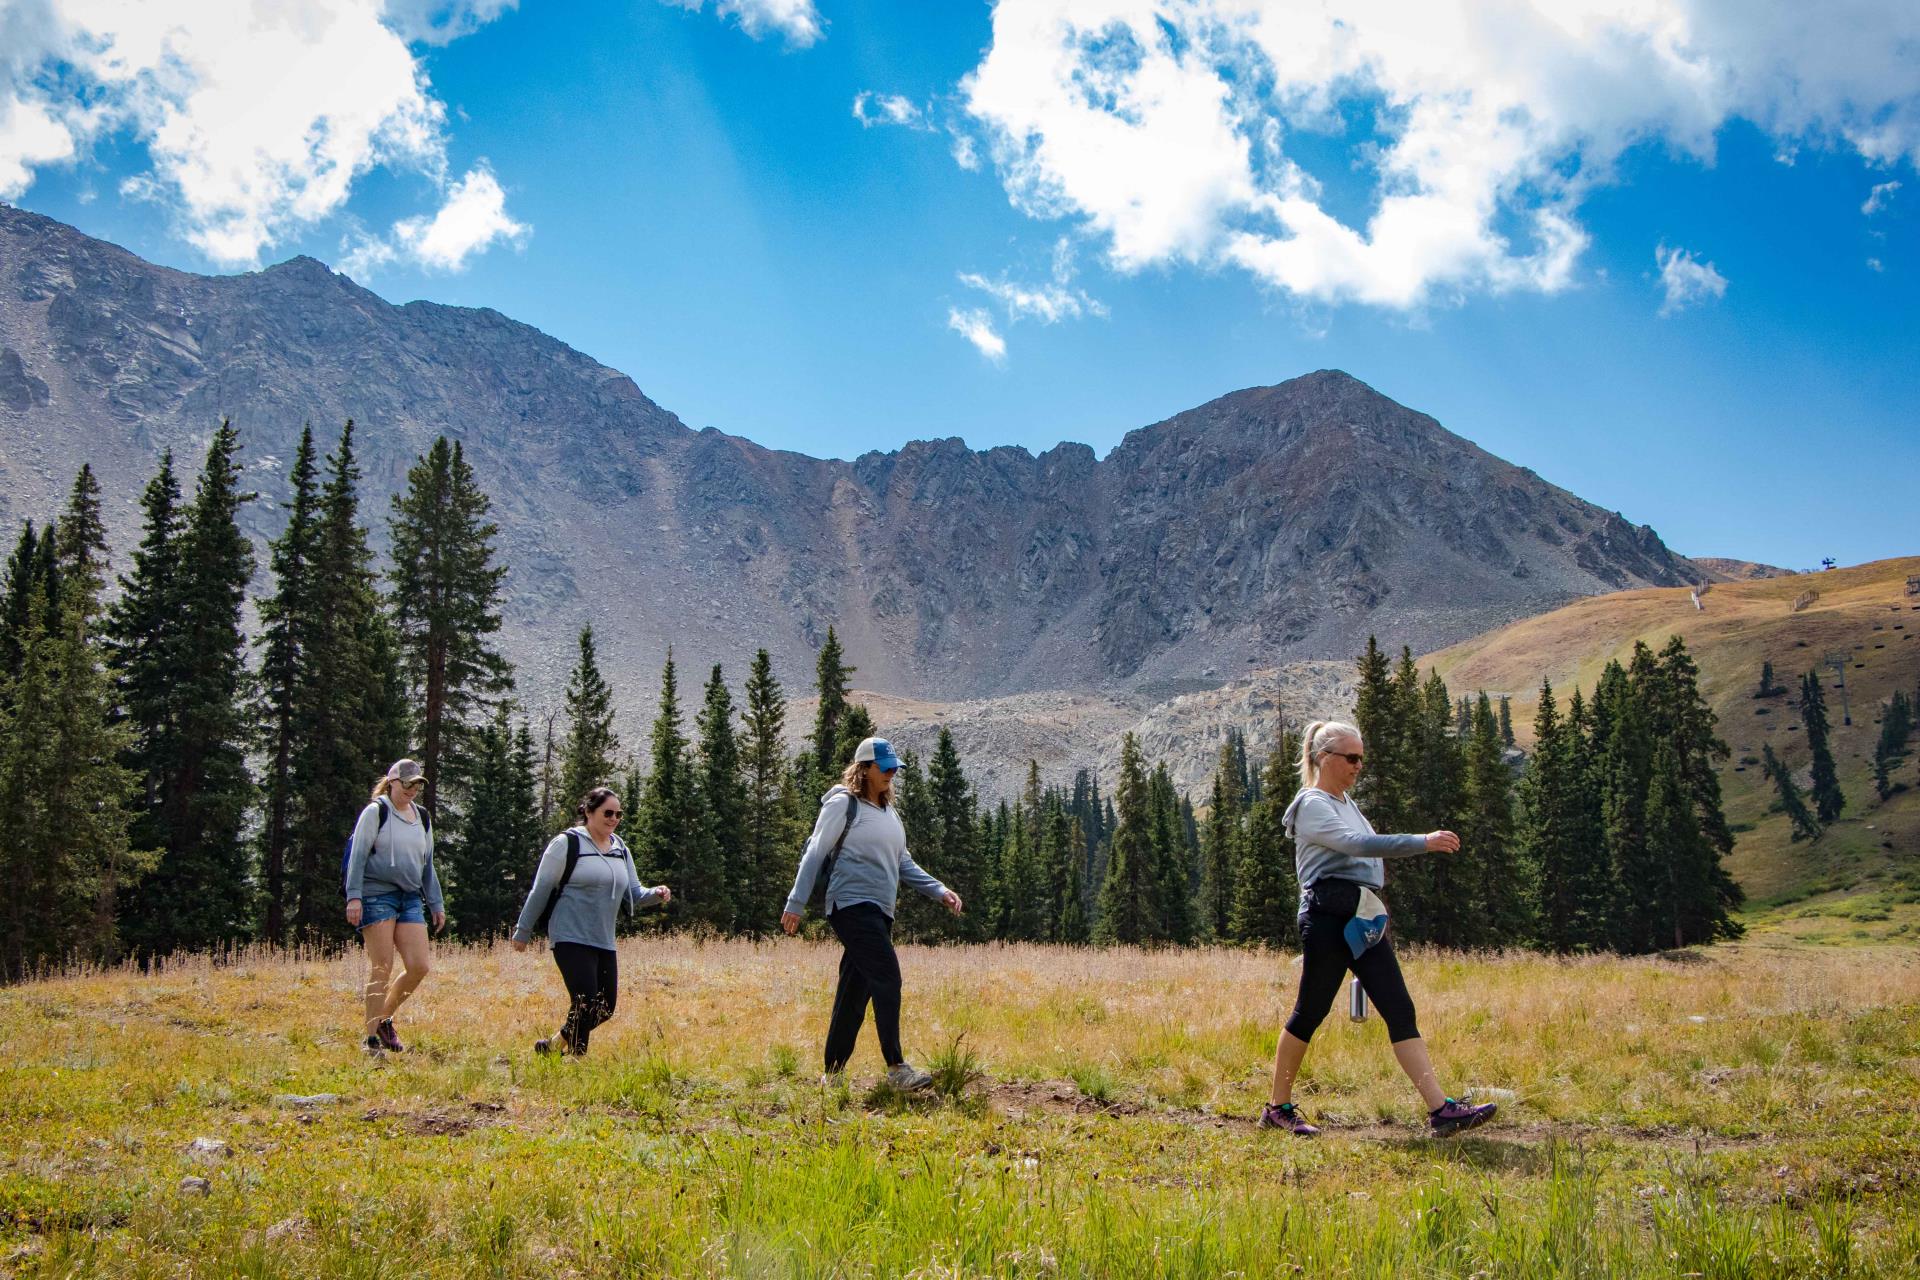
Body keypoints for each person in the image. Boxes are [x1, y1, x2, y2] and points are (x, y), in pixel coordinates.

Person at [1259, 720, 1497, 1138]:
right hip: (1328, 917)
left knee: (1398, 1008)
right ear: (1324, 758)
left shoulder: (1346, 801)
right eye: (1351, 758)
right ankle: (1277, 1108)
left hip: (1360, 917)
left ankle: (1440, 1110)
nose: (1358, 765)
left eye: (1361, 758)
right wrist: (1422, 841)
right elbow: (1357, 845)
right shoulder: (1313, 804)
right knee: (1310, 1012)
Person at [782, 736, 963, 1089]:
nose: (893, 773)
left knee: (854, 991)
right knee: (888, 977)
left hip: (879, 911)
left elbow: (903, 862)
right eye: (886, 767)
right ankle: (896, 1067)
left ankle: (831, 1076)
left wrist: (939, 890)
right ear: (863, 769)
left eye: (896, 768)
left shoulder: (888, 813)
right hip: (851, 905)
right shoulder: (842, 804)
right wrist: (796, 902)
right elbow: (815, 853)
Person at [511, 787, 671, 1056]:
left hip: (604, 938)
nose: (614, 819)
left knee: (605, 1007)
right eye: (607, 813)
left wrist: (656, 894)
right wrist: (523, 930)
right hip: (569, 935)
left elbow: (634, 893)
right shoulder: (567, 844)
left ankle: (552, 1046)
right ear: (588, 811)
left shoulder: (620, 848)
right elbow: (541, 889)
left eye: (619, 814)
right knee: (584, 1000)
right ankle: (577, 1060)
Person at [344, 758, 445, 1054]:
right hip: (377, 895)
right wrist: (354, 897)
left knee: (419, 966)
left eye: (417, 785)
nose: (412, 789)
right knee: (382, 966)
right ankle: (371, 1038)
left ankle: (383, 1019)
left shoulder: (422, 817)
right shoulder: (376, 812)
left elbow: (427, 864)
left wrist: (436, 903)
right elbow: (358, 857)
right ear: (392, 783)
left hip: (411, 897)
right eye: (407, 784)